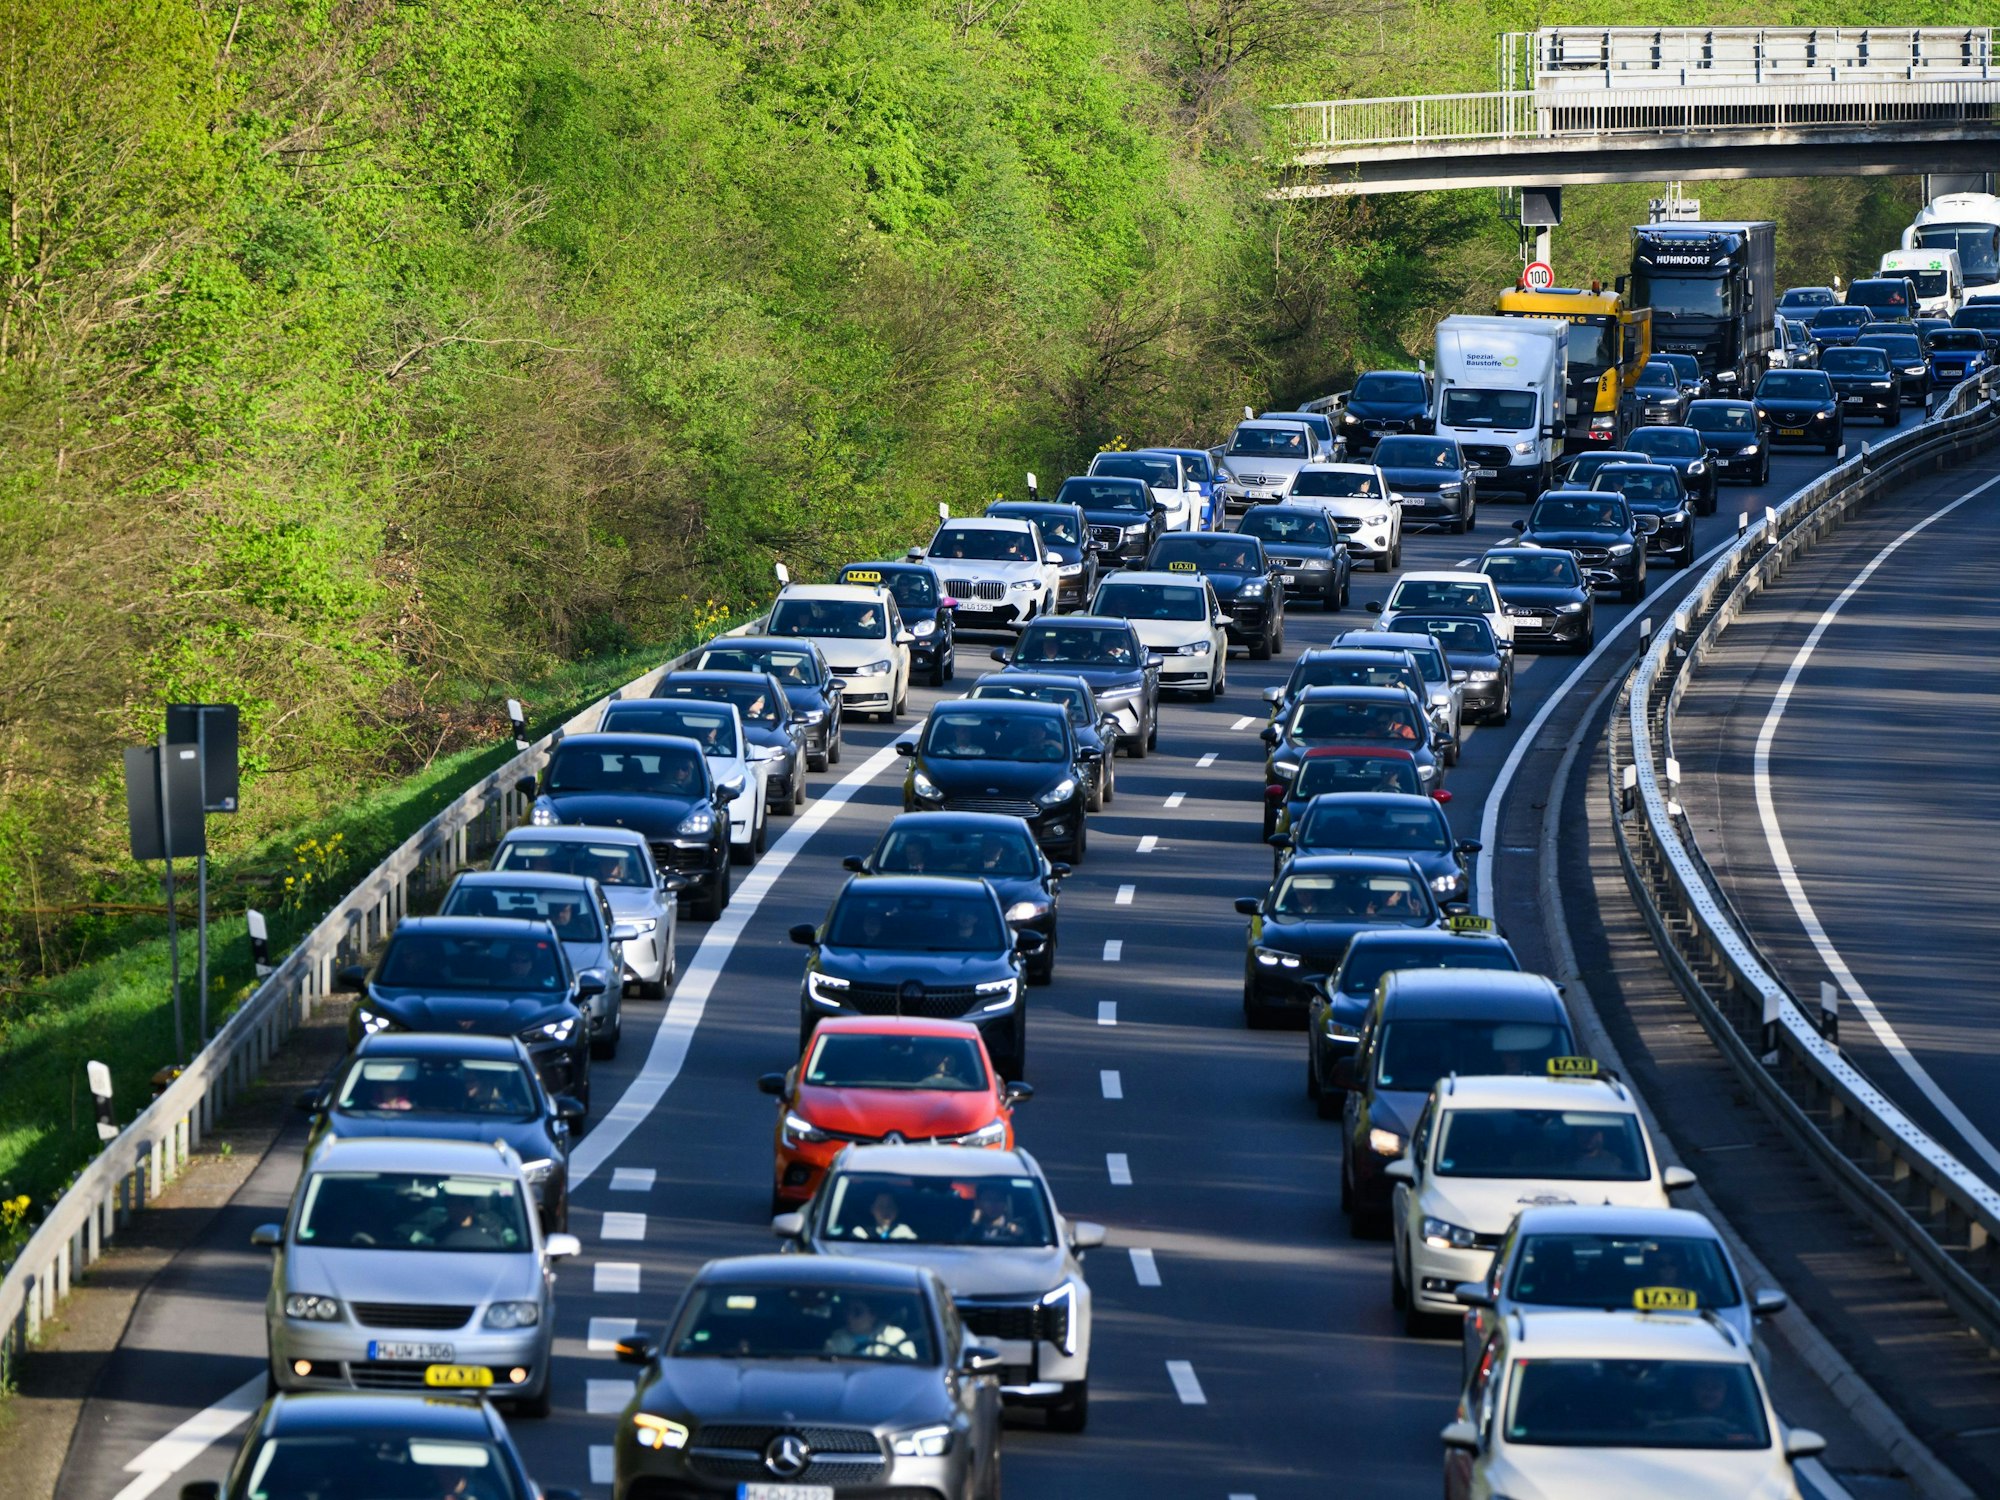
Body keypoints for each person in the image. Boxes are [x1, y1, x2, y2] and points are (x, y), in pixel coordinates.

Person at [823, 1297, 917, 1359]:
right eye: (848, 1311)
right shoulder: (836, 1339)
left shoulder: (895, 1336)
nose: (849, 1317)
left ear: (873, 1316)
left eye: (857, 1312)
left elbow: (909, 1368)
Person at [851, 1191, 918, 1241]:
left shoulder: (905, 1233)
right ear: (872, 1209)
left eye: (890, 1206)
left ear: (896, 1210)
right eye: (881, 1206)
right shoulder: (860, 1233)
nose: (885, 1210)